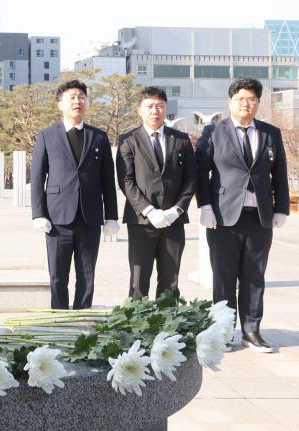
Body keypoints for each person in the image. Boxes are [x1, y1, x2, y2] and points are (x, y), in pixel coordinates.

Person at [195, 77, 289, 353]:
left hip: (259, 216)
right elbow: (201, 172)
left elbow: (279, 174)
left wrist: (281, 208)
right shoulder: (214, 131)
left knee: (254, 276)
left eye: (251, 99)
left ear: (258, 103)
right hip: (223, 217)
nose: (246, 104)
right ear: (230, 102)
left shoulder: (271, 133)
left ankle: (252, 330)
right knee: (223, 277)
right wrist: (205, 206)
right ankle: (223, 331)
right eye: (240, 99)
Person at [30, 79, 119, 310]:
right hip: (57, 218)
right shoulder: (47, 136)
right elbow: (38, 178)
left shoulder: (99, 137)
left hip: (89, 217)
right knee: (58, 276)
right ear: (60, 104)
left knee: (87, 275)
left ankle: (82, 318)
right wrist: (38, 214)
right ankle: (59, 318)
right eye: (72, 97)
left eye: (81, 97)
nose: (77, 101)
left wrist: (111, 216)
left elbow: (108, 180)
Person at [115, 86, 196, 300]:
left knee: (170, 280)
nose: (155, 111)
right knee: (139, 280)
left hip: (174, 221)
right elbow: (126, 180)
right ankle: (138, 328)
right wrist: (149, 211)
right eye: (149, 106)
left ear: (166, 109)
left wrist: (176, 210)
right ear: (139, 110)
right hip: (141, 221)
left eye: (160, 106)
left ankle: (167, 327)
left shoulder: (180, 139)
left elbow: (191, 179)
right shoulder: (128, 139)